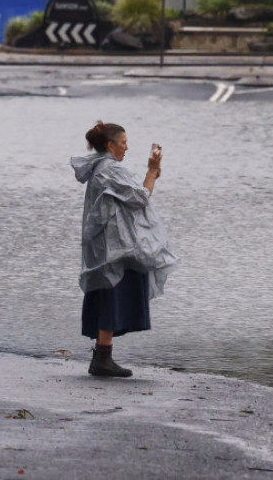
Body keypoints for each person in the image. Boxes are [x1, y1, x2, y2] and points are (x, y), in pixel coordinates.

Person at [71, 121, 178, 378]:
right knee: (112, 292)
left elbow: (132, 196)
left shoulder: (100, 167)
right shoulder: (111, 169)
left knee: (109, 292)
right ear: (110, 145)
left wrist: (152, 172)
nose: (126, 147)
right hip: (114, 245)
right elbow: (141, 197)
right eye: (123, 142)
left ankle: (102, 356)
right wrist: (152, 171)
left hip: (105, 242)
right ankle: (102, 359)